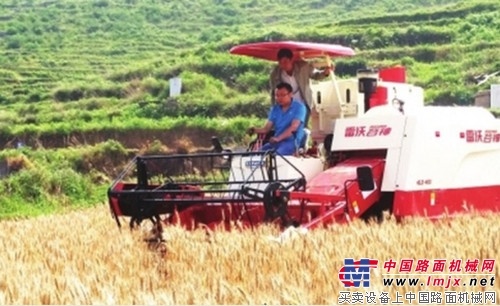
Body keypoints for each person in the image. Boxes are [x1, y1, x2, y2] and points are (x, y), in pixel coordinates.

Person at [269, 48, 332, 127]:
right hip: (286, 106)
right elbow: (273, 91)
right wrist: (274, 107)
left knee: (301, 127)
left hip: (303, 102)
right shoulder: (275, 74)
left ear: (291, 60)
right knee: (286, 128)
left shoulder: (303, 67)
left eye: (285, 62)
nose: (283, 65)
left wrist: (325, 73)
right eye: (280, 63)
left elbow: (315, 75)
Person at [247, 82, 306, 155]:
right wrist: (254, 130)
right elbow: (266, 129)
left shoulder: (299, 107)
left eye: (282, 95)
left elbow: (293, 127)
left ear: (291, 94)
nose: (279, 98)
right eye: (277, 95)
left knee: (275, 157)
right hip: (276, 142)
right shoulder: (275, 109)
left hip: (292, 142)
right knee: (257, 154)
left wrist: (278, 138)